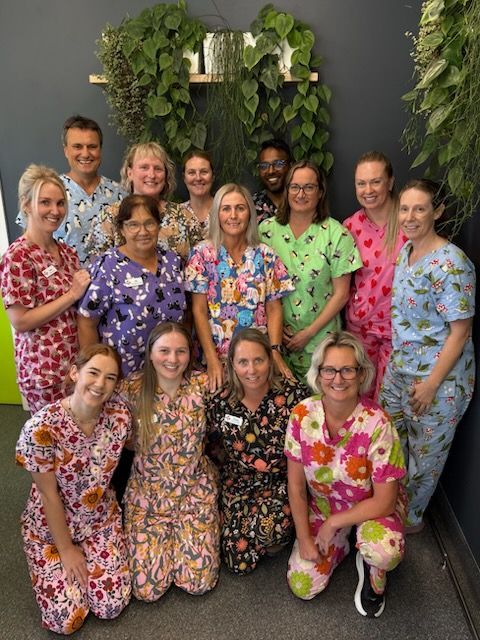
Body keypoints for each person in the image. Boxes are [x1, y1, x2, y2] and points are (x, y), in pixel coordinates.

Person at [285, 331, 406, 618]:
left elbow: (385, 502)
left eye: (347, 370)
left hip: (371, 510)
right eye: (329, 370)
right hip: (324, 506)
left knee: (384, 551)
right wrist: (304, 535)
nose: (337, 379)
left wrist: (334, 524)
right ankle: (344, 545)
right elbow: (296, 485)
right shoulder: (302, 415)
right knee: (302, 584)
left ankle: (370, 567)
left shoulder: (379, 424)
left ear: (361, 373)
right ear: (318, 374)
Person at [15, 344, 132, 634]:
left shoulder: (119, 418)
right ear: (74, 373)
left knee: (110, 605)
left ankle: (93, 556)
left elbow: (135, 446)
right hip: (50, 528)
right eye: (93, 372)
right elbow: (47, 494)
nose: (100, 383)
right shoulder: (41, 428)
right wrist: (66, 549)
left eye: (110, 377)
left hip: (98, 519)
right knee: (66, 620)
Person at [380, 179, 475, 532]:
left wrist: (432, 385)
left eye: (420, 208)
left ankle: (409, 520)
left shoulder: (451, 264)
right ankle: (388, 504)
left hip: (438, 380)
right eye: (404, 208)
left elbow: (460, 331)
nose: (410, 216)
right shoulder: (406, 252)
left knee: (425, 457)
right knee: (390, 440)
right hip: (400, 369)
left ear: (437, 211)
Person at [119, 322, 220, 601]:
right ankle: (166, 545)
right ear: (150, 353)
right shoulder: (130, 389)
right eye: (164, 351)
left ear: (190, 354)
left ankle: (190, 537)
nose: (173, 360)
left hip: (193, 492)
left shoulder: (203, 385)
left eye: (181, 352)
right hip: (147, 497)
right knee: (147, 589)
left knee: (199, 582)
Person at [207, 328, 309, 574]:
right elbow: (211, 445)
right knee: (238, 562)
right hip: (238, 483)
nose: (251, 370)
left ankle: (273, 536)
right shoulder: (220, 401)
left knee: (269, 530)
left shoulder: (294, 397)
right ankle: (256, 535)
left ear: (269, 359)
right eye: (243, 362)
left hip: (279, 483)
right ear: (232, 363)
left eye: (258, 360)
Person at [185, 183, 294, 392]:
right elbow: (198, 310)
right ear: (216, 214)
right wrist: (211, 359)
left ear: (250, 214)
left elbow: (274, 308)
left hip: (257, 362)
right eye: (226, 209)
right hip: (216, 358)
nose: (233, 215)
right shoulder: (202, 255)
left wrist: (275, 351)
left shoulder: (265, 255)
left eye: (240, 208)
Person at [259, 160, 362, 381]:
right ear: (287, 191)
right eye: (294, 187)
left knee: (319, 410)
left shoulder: (337, 234)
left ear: (320, 191)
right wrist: (275, 330)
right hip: (276, 341)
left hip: (320, 343)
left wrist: (308, 333)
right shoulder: (266, 231)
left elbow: (341, 294)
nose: (301, 194)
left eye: (309, 187)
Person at [0, 164, 90, 413]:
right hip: (43, 372)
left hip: (73, 367)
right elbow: (21, 321)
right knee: (48, 443)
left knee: (75, 437)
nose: (55, 211)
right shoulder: (18, 257)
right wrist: (72, 294)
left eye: (60, 203)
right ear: (26, 205)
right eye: (45, 202)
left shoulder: (67, 253)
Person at [77, 194, 186, 377]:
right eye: (133, 225)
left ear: (159, 226)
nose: (143, 231)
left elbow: (186, 314)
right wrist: (94, 371)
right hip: (123, 374)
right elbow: (87, 321)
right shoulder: (107, 266)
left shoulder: (173, 262)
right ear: (121, 229)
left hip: (169, 371)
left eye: (149, 223)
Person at [16, 115, 126, 265]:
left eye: (92, 146)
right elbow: (27, 243)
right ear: (66, 150)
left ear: (100, 150)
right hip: (61, 284)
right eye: (77, 146)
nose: (86, 153)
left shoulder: (121, 194)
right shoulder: (47, 191)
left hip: (114, 285)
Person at [343, 151, 406, 400]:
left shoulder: (408, 220)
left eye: (375, 181)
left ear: (390, 182)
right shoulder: (349, 227)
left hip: (399, 333)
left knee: (392, 405)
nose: (368, 189)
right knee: (359, 402)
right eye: (361, 183)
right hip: (360, 332)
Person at [86, 142, 203, 261]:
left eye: (158, 169)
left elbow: (201, 265)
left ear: (166, 176)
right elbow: (96, 268)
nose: (151, 175)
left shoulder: (185, 217)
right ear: (129, 173)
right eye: (144, 167)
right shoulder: (110, 217)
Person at [252, 139, 291, 223]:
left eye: (278, 164)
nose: (271, 171)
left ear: (290, 166)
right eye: (264, 165)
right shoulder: (251, 206)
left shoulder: (301, 201)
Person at [181, 149, 215, 238]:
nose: (198, 178)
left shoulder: (225, 210)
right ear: (184, 178)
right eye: (191, 173)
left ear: (213, 176)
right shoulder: (176, 215)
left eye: (204, 172)